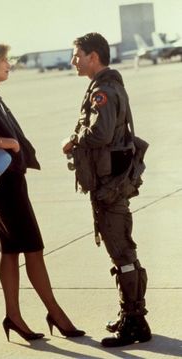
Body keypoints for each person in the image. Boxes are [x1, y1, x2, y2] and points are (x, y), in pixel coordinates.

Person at [0, 41, 85, 342]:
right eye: (4, 59)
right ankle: (55, 312)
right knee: (33, 247)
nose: (9, 63)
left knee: (12, 249)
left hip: (9, 179)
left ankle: (13, 316)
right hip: (3, 184)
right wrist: (8, 143)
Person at [62, 33, 151, 347]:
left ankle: (135, 323)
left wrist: (74, 140)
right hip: (111, 183)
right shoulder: (107, 86)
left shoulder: (103, 90)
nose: (74, 61)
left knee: (122, 252)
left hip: (110, 187)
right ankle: (132, 315)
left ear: (93, 56)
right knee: (123, 251)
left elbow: (99, 133)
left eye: (77, 55)